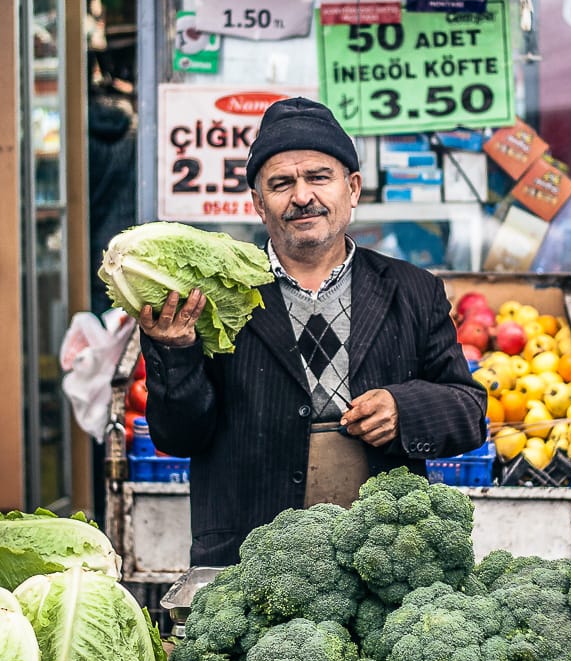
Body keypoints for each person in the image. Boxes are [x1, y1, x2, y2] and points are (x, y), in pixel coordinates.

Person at [139, 97, 487, 567]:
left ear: (353, 188)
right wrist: (177, 352)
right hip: (249, 562)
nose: (302, 196)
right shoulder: (215, 295)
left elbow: (469, 413)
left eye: (319, 177)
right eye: (281, 184)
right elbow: (179, 438)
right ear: (260, 205)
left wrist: (404, 410)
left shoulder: (413, 291)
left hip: (380, 561)